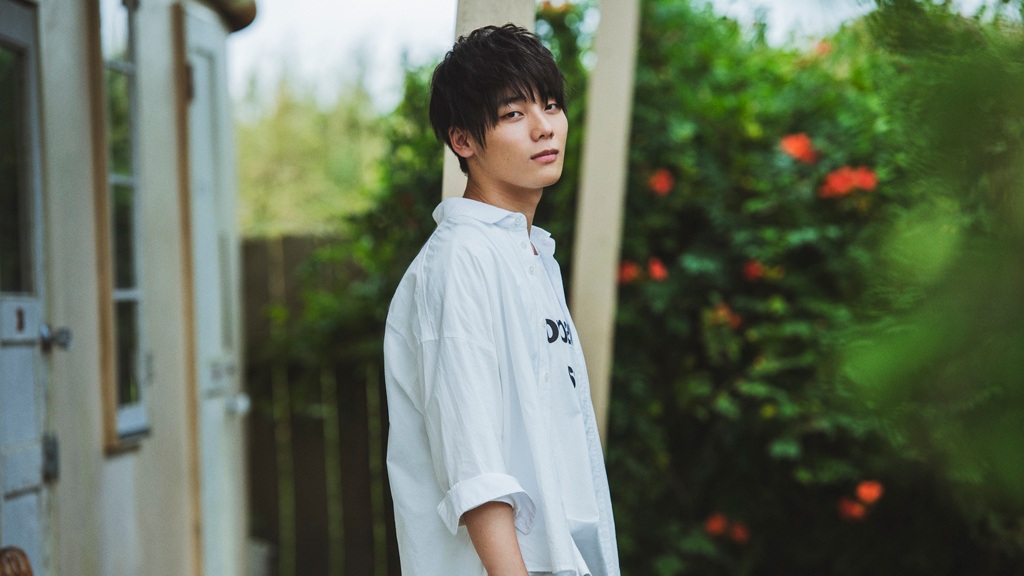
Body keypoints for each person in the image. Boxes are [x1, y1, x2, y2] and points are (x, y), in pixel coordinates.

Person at [382, 23, 620, 576]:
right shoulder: (459, 262)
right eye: (514, 113)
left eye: (551, 106)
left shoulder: (530, 255)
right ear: (463, 140)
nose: (544, 127)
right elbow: (475, 467)